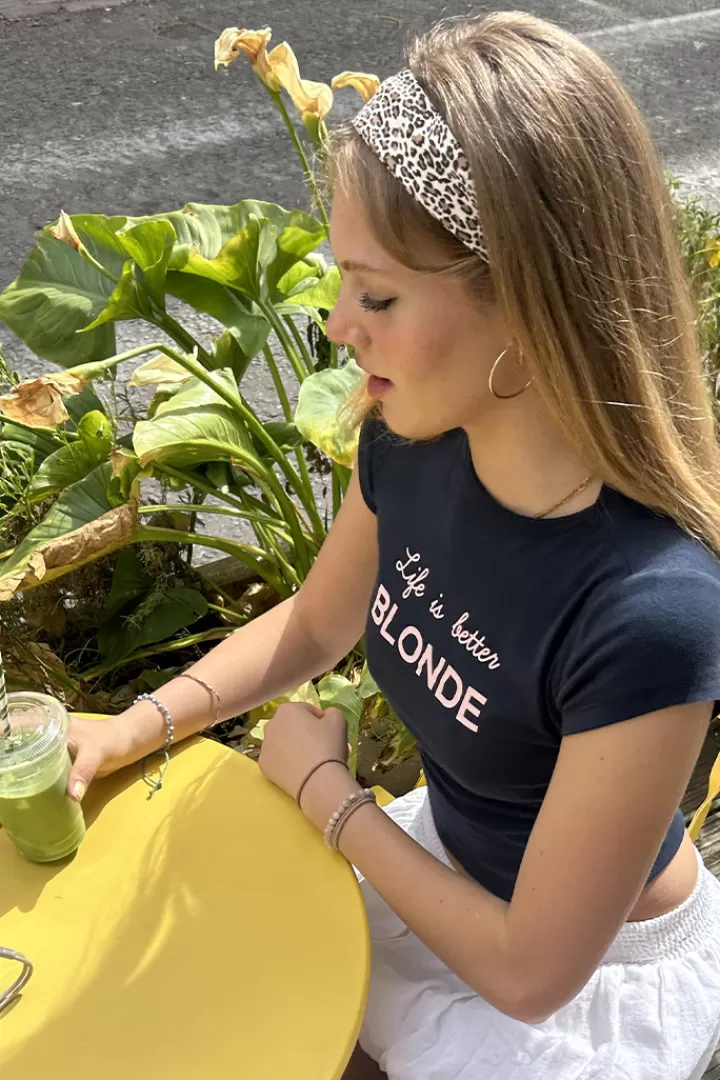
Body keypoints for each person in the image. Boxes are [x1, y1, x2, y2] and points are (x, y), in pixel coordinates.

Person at [65, 11, 720, 1079]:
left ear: (529, 308)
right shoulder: (414, 441)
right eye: (340, 279)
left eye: (375, 293)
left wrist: (330, 797)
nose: (334, 323)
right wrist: (131, 729)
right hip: (430, 868)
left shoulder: (654, 610)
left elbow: (530, 971)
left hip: (578, 990)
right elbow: (319, 620)